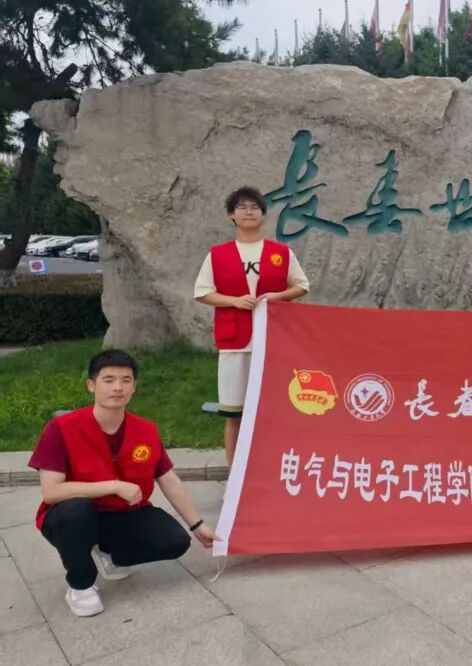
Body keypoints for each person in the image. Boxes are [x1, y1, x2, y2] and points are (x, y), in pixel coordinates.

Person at [29, 349, 218, 617]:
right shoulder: (61, 428)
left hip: (122, 514)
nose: (118, 387)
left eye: (126, 380)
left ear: (134, 387)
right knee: (76, 511)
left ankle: (108, 552)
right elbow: (51, 492)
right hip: (72, 516)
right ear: (91, 385)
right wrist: (114, 485)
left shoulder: (146, 430)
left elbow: (168, 479)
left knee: (175, 541)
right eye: (109, 380)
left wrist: (198, 526)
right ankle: (80, 584)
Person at [194, 186, 309, 466]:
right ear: (231, 215)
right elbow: (203, 292)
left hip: (272, 342)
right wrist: (233, 301)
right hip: (234, 342)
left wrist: (276, 296)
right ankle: (235, 472)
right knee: (234, 413)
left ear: (263, 215)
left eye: (255, 207)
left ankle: (271, 467)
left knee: (272, 411)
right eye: (242, 207)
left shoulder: (280, 252)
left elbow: (302, 285)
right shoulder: (218, 254)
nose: (249, 212)